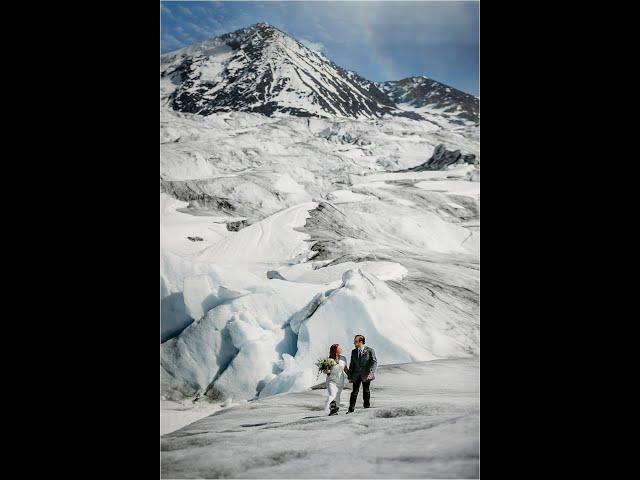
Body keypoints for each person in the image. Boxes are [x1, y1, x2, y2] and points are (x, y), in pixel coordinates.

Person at [346, 334, 377, 413]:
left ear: (361, 342)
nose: (354, 343)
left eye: (355, 341)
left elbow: (374, 362)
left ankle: (366, 407)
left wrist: (371, 372)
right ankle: (350, 409)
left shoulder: (370, 350)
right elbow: (352, 364)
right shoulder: (354, 352)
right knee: (354, 392)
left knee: (366, 391)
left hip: (366, 374)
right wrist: (350, 376)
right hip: (356, 375)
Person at [324, 344, 347, 415]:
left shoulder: (343, 358)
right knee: (332, 394)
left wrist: (350, 377)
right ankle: (327, 408)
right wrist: (327, 371)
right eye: (339, 348)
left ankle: (335, 410)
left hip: (340, 380)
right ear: (335, 350)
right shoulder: (329, 359)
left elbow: (346, 369)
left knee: (338, 396)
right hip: (331, 380)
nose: (341, 349)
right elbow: (325, 371)